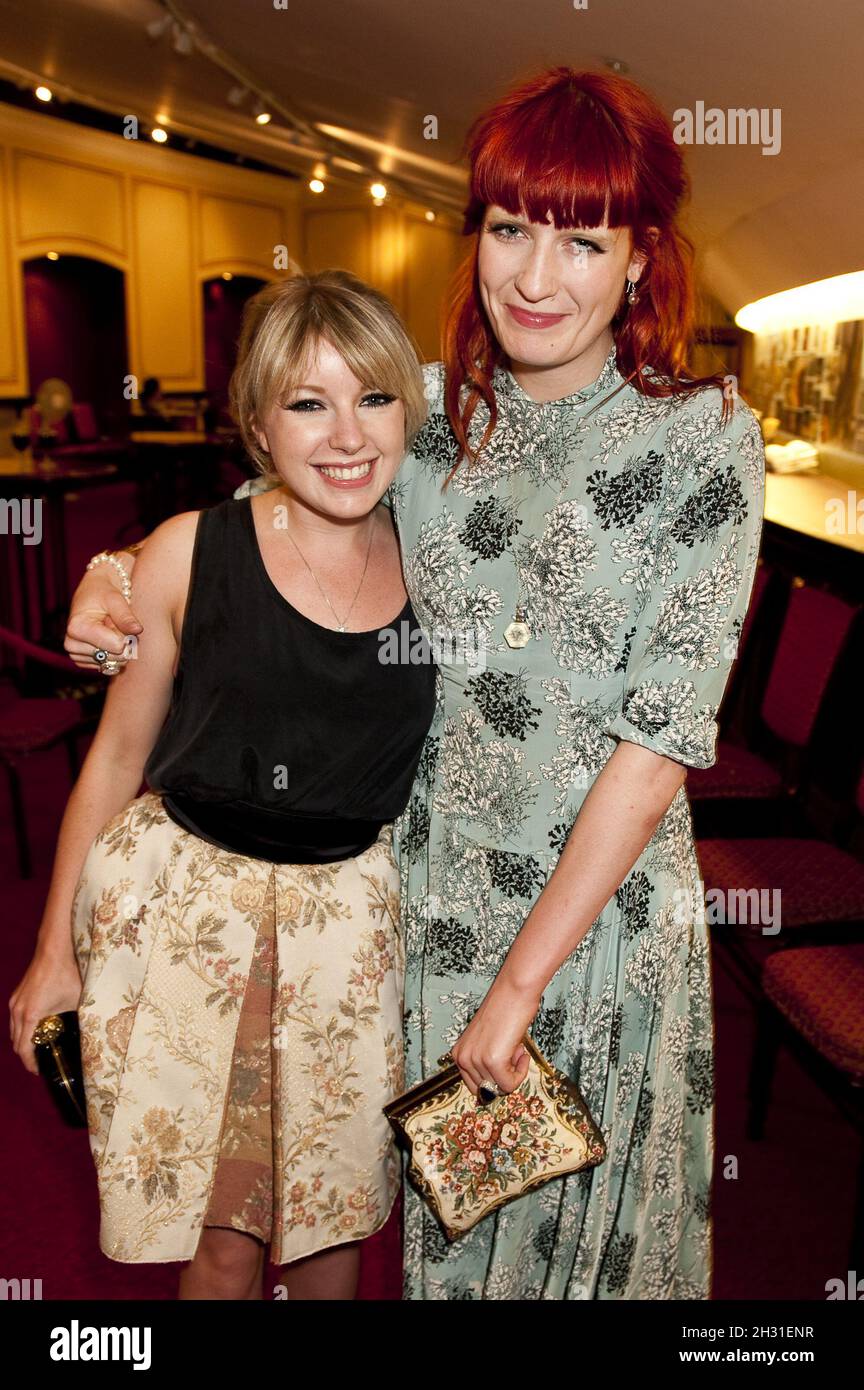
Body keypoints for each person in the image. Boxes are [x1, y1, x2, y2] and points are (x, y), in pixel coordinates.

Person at [54, 65, 766, 1300]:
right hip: (422, 905)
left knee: (573, 1264)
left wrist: (519, 989)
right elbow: (279, 508)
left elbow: (655, 751)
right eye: (508, 229)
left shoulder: (704, 440)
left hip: (585, 933)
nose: (535, 278)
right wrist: (116, 568)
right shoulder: (436, 417)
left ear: (643, 259)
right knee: (444, 1254)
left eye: (583, 241)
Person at [9, 271, 437, 1299]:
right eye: (307, 402)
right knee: (225, 1238)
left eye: (372, 397)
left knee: (335, 1235)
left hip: (349, 934)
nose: (346, 434)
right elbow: (113, 758)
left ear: (407, 409)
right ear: (256, 421)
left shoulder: (444, 558)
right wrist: (51, 951)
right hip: (192, 924)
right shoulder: (186, 554)